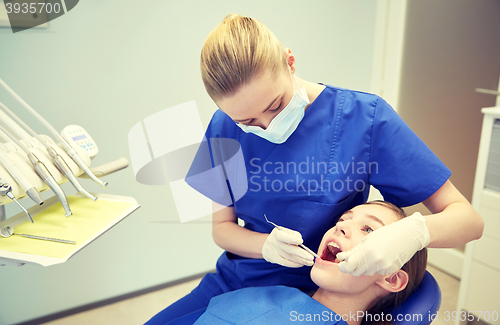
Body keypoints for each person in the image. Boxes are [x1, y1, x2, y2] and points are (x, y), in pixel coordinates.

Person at [145, 13, 483, 324]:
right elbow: (222, 228)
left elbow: (468, 220)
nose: (266, 126)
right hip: (236, 280)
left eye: (275, 106)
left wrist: (412, 233)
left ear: (290, 62)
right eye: (247, 122)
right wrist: (264, 246)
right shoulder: (223, 125)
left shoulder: (366, 120)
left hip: (318, 293)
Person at [168, 201, 429, 325]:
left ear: (391, 277)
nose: (342, 227)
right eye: (342, 219)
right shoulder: (274, 294)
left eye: (369, 230)